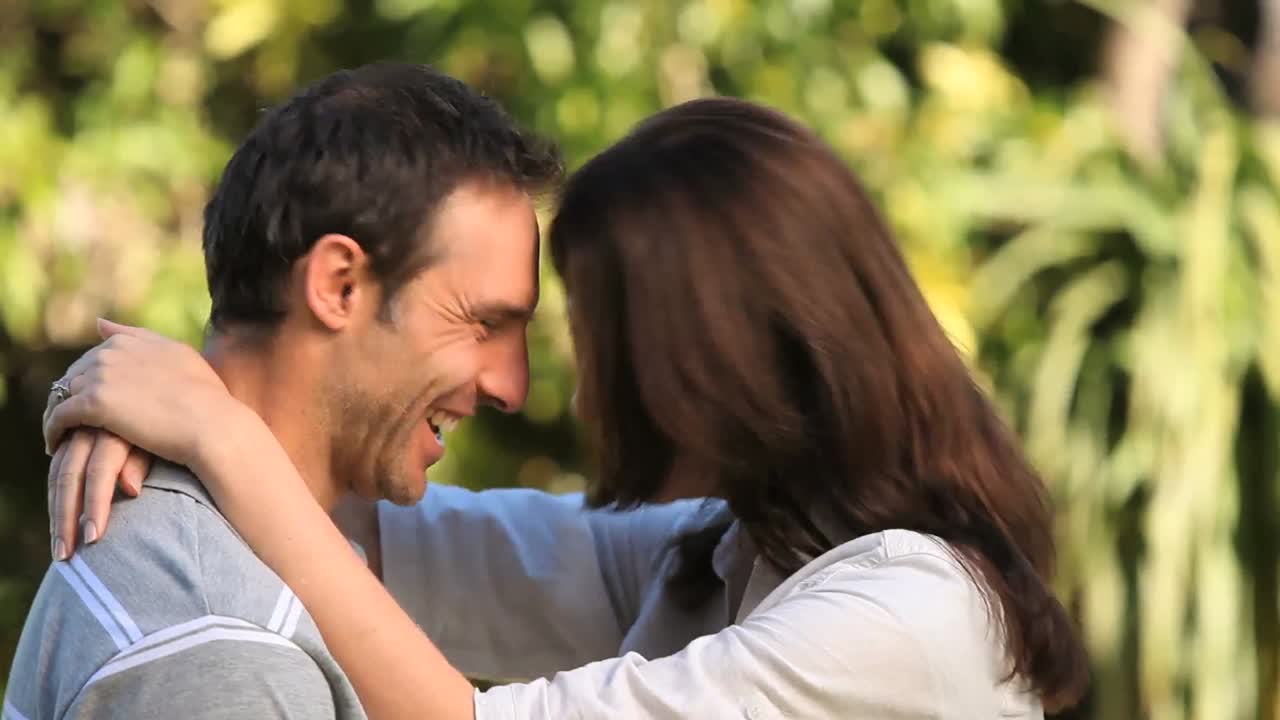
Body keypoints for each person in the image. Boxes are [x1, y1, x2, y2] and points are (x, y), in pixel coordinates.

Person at [39, 98, 1090, 719]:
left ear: (718, 349)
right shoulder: (725, 550)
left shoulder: (905, 620)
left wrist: (217, 430)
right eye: (494, 325)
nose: (549, 389)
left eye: (600, 341)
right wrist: (166, 400)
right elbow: (369, 531)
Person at [5, 61, 561, 720]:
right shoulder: (228, 650)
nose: (512, 387)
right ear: (338, 285)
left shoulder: (219, 578)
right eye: (483, 322)